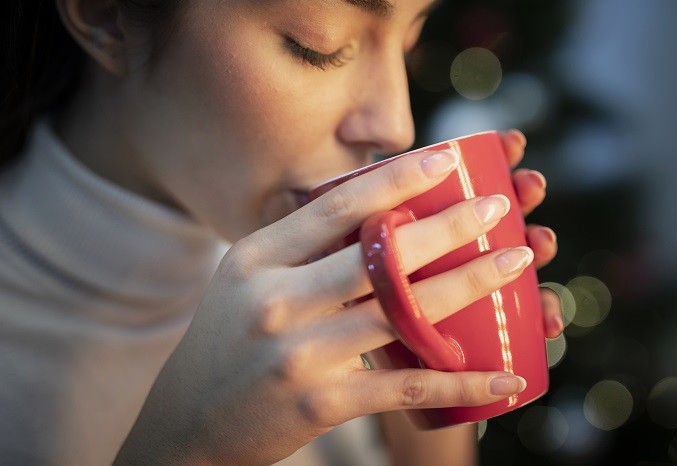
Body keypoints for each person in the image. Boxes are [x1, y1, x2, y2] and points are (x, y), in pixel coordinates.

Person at [0, 1, 562, 465]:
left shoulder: (326, 291)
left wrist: (434, 375)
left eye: (409, 45)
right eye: (319, 47)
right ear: (104, 14)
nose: (397, 124)